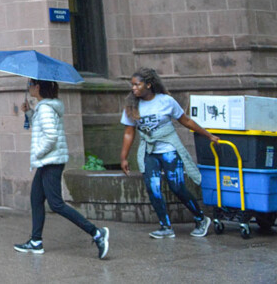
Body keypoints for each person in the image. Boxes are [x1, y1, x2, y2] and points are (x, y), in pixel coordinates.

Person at [13, 79, 109, 259]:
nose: (29, 88)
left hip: (50, 161)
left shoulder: (46, 108)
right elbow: (45, 127)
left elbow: (50, 137)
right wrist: (30, 113)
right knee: (36, 198)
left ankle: (96, 233)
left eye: (30, 85)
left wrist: (38, 153)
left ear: (38, 87)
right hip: (48, 162)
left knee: (56, 204)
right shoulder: (44, 108)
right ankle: (35, 241)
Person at [120, 67, 219, 239]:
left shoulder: (166, 101)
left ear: (149, 85)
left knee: (177, 186)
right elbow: (129, 132)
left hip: (168, 149)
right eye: (132, 85)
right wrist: (123, 157)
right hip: (149, 152)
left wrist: (208, 135)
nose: (133, 88)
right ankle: (165, 226)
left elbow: (186, 120)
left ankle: (201, 219)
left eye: (137, 85)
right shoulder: (131, 106)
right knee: (153, 189)